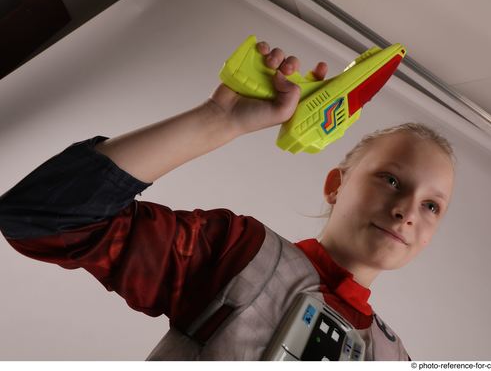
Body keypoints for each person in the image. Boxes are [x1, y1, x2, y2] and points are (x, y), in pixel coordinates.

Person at [0, 40, 455, 361]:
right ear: (335, 185)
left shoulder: (398, 358)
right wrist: (217, 121)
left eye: (432, 205)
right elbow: (43, 217)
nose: (407, 210)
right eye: (392, 180)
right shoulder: (240, 254)